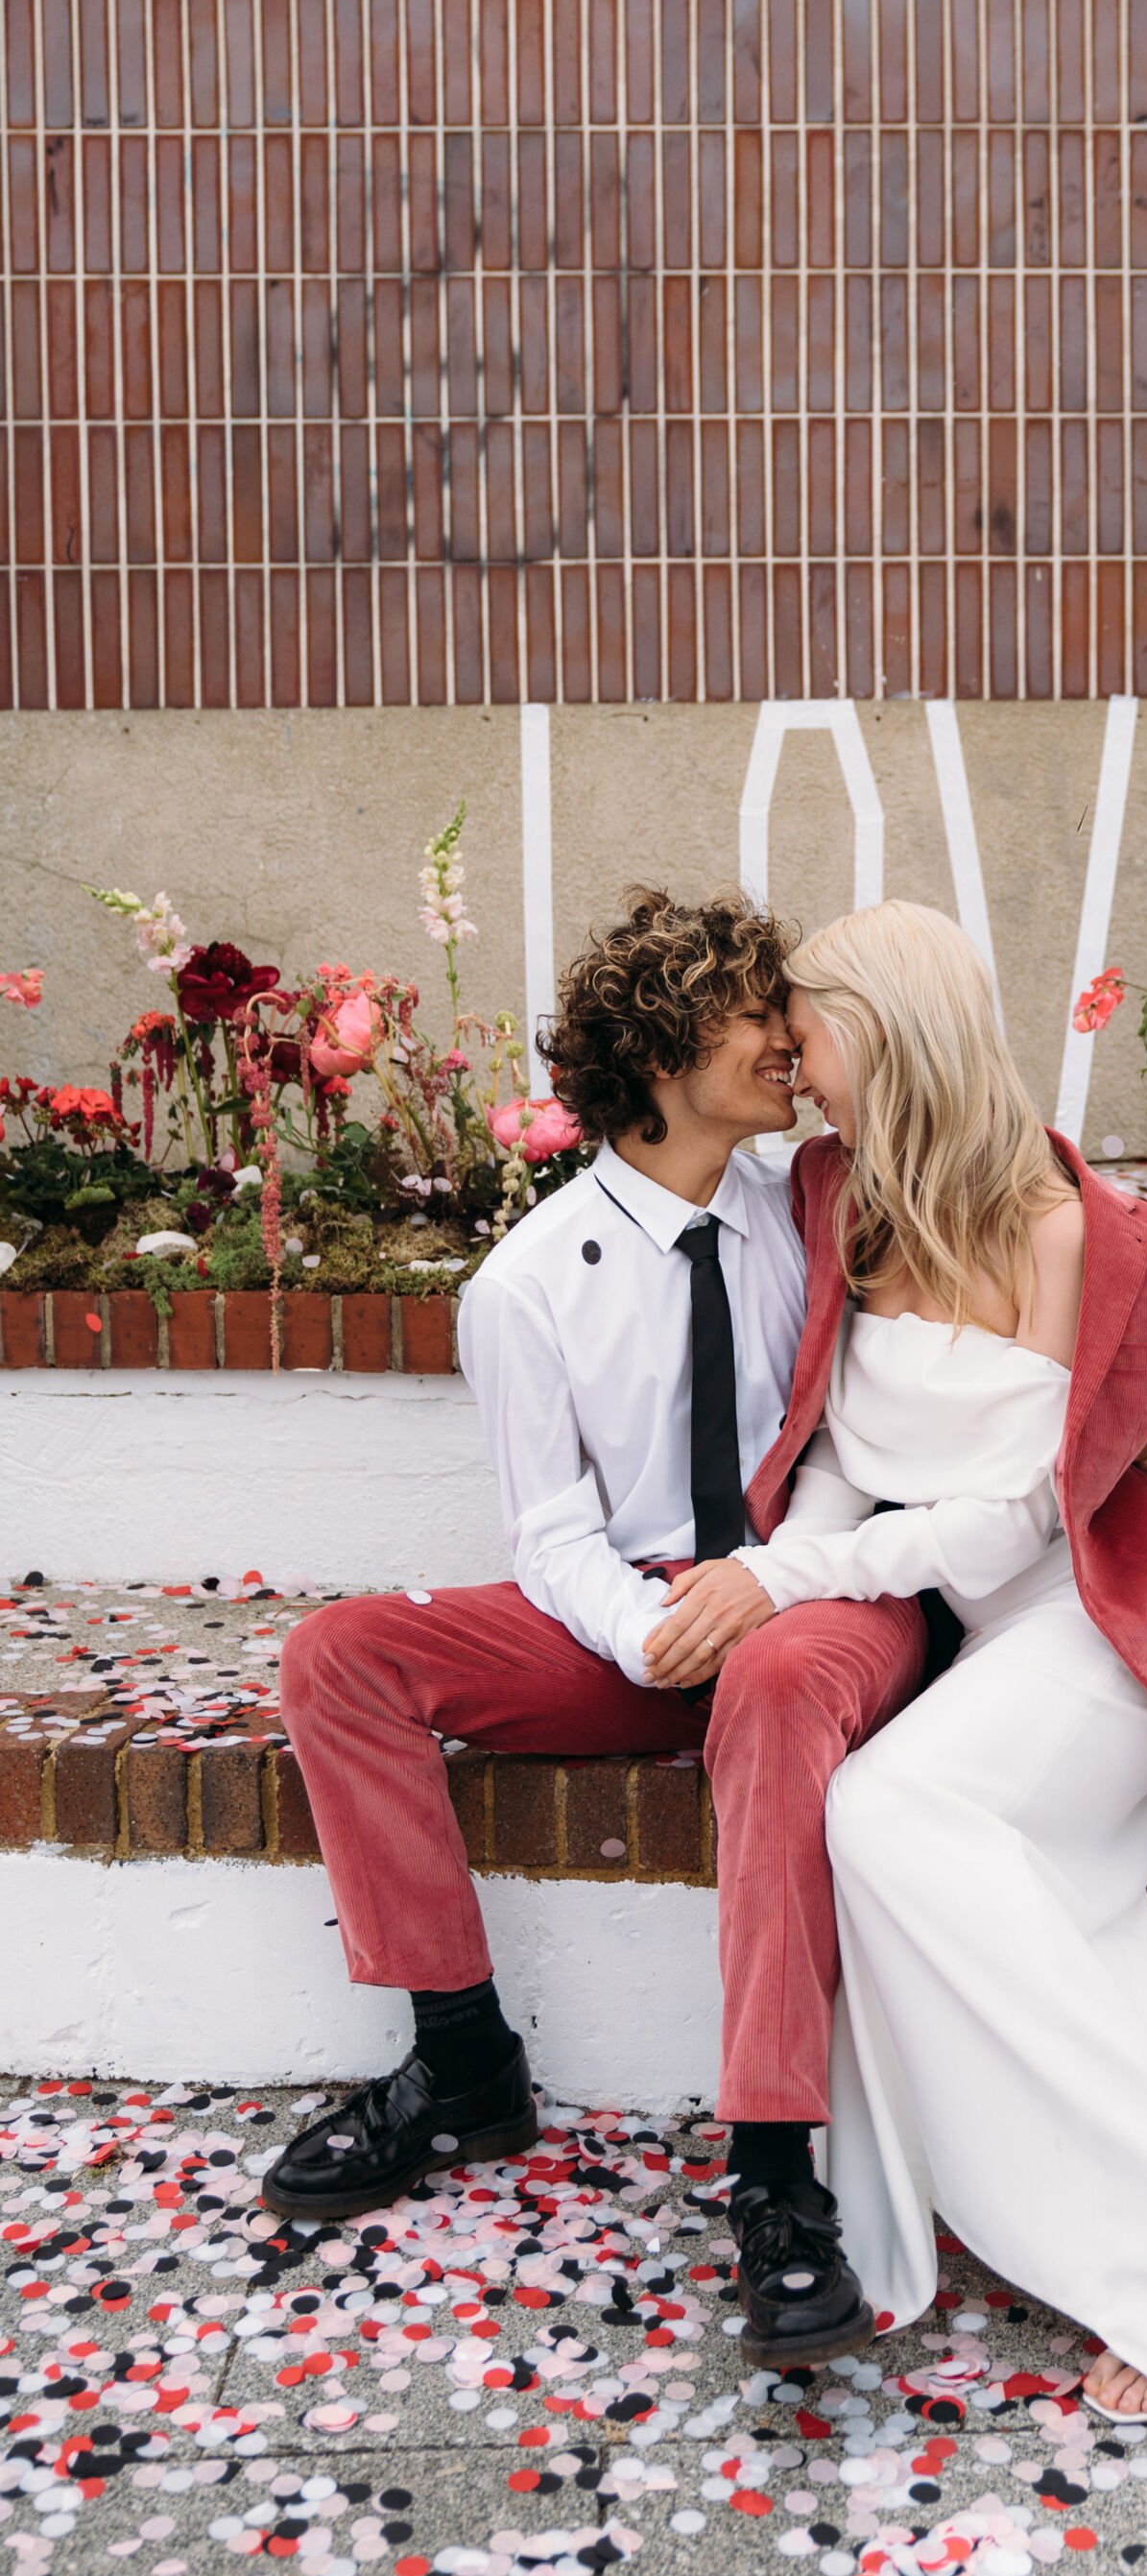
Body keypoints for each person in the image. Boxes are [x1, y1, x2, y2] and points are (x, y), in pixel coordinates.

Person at [636, 899, 1147, 2444]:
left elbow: (1012, 1512)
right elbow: (828, 1455)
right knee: (980, 1886)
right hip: (975, 1630)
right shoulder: (841, 1192)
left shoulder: (1078, 1234)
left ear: (878, 1034)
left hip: (1103, 1625)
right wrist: (773, 1573)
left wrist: (781, 1574)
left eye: (807, 1031)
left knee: (888, 1818)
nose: (791, 1065)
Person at [266, 888, 932, 2375]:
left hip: (823, 1604)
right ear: (662, 1050)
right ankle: (460, 2063)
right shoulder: (524, 1286)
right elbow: (552, 1535)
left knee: (767, 1677)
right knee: (341, 1655)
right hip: (647, 1616)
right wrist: (645, 1635)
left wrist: (765, 1591)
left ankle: (773, 2172)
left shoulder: (823, 1197)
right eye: (755, 1013)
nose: (787, 1038)